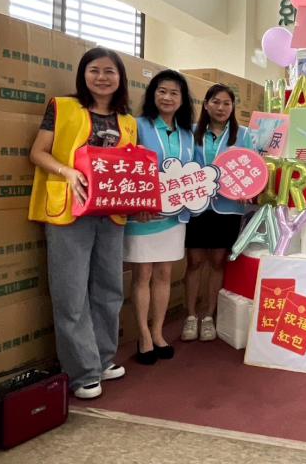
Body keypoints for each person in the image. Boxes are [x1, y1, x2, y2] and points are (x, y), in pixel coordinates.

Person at [29, 47, 137, 399]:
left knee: (109, 289)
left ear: (120, 78)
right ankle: (82, 371)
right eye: (95, 70)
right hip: (68, 211)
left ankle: (103, 359)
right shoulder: (62, 107)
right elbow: (37, 152)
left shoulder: (127, 120)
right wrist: (67, 171)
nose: (102, 77)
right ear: (83, 74)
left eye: (110, 71)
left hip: (111, 212)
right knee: (70, 292)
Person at [124, 70, 195, 365]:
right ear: (153, 94)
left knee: (165, 274)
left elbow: (194, 171)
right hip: (143, 214)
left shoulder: (187, 132)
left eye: (174, 93)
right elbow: (128, 165)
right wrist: (138, 202)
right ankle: (143, 335)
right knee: (142, 275)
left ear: (182, 99)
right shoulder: (137, 125)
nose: (167, 97)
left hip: (174, 215)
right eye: (162, 91)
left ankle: (157, 331)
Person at [183, 84, 254, 342]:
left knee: (217, 262)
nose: (221, 107)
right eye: (215, 102)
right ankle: (190, 317)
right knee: (194, 261)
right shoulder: (191, 132)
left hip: (228, 208)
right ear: (205, 105)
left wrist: (247, 190)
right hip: (197, 207)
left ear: (233, 107)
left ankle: (208, 316)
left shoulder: (243, 135)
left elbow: (252, 167)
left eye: (226, 103)